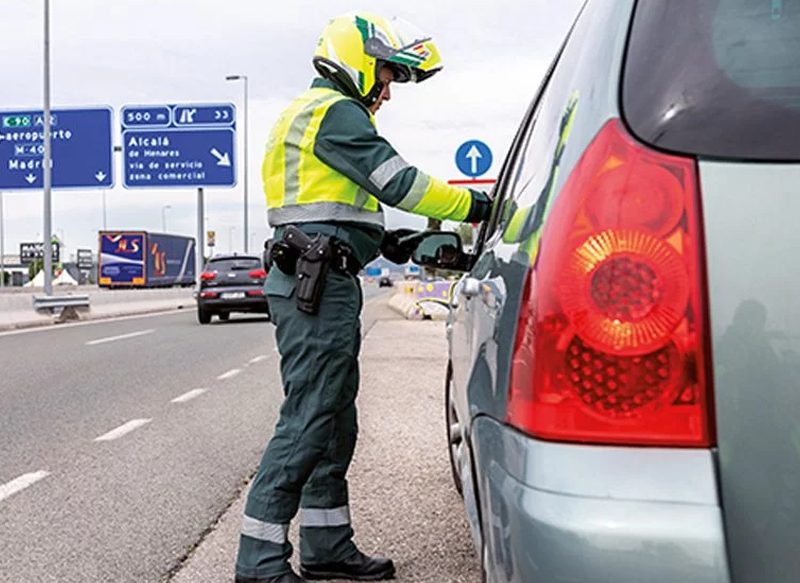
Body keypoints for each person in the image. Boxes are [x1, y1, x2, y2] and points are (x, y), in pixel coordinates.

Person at [235, 11, 492, 583]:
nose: (388, 89)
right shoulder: (337, 113)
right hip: (316, 285)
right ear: (356, 59)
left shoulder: (304, 115)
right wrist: (479, 206)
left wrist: (390, 242)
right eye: (385, 73)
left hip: (316, 273)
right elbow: (401, 182)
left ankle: (326, 546)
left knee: (331, 419)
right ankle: (258, 562)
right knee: (308, 419)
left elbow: (336, 210)